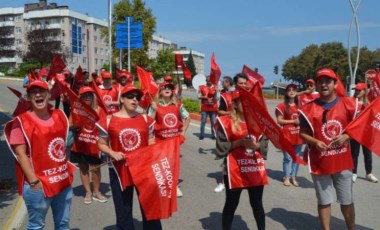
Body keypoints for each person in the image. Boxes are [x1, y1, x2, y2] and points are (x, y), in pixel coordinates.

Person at [5, 80, 74, 229]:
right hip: (38, 185)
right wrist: (34, 182)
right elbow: (20, 154)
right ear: (29, 98)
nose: (38, 95)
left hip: (62, 182)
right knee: (36, 226)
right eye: (33, 92)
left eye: (41, 91)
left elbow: (63, 145)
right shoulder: (21, 122)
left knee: (63, 224)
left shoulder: (59, 115)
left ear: (48, 95)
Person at [299, 68, 357, 230]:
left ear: (335, 83)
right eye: (320, 81)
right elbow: (302, 134)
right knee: (324, 201)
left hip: (343, 161)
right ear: (316, 84)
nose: (323, 84)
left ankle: (351, 228)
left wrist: (347, 136)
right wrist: (315, 141)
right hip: (320, 162)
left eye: (327, 81)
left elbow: (359, 128)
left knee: (346, 201)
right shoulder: (307, 109)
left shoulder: (348, 104)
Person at [98, 85, 162, 230]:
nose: (135, 100)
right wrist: (112, 153)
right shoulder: (108, 120)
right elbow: (101, 144)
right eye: (130, 96)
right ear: (121, 99)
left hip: (144, 171)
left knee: (150, 209)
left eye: (137, 97)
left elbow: (151, 139)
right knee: (123, 210)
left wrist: (153, 151)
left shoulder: (146, 119)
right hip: (120, 171)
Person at [215, 89, 267, 230]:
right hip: (234, 171)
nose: (245, 104)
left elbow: (265, 145)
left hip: (254, 168)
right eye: (241, 101)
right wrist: (238, 143)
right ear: (235, 104)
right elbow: (220, 147)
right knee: (231, 204)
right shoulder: (226, 122)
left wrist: (257, 145)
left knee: (257, 204)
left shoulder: (259, 122)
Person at [148, 82, 191, 197]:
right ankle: (161, 185)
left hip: (173, 140)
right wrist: (154, 109)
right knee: (160, 163)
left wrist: (183, 132)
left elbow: (187, 117)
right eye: (164, 88)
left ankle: (174, 186)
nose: (167, 89)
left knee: (173, 163)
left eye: (170, 88)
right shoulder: (155, 105)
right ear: (160, 91)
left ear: (172, 91)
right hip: (159, 140)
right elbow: (149, 122)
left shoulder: (178, 104)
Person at [70, 86, 108, 204]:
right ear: (80, 98)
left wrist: (104, 145)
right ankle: (88, 192)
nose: (87, 97)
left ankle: (97, 192)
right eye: (84, 96)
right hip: (80, 144)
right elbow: (70, 124)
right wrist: (75, 125)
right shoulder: (76, 110)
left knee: (95, 169)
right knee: (83, 168)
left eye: (89, 95)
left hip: (95, 145)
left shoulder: (99, 110)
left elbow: (105, 128)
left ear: (93, 97)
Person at [275, 83, 303, 187]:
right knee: (288, 158)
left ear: (296, 92)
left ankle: (293, 177)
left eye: (294, 90)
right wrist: (293, 121)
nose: (291, 91)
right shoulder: (281, 106)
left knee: (296, 158)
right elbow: (279, 120)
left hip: (299, 136)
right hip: (287, 135)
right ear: (286, 92)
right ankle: (286, 177)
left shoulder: (301, 106)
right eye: (289, 90)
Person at [350, 82, 378, 183]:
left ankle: (369, 173)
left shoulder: (369, 104)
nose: (357, 92)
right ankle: (354, 173)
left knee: (368, 154)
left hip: (366, 133)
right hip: (354, 133)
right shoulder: (351, 102)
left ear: (364, 91)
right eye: (356, 90)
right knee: (354, 153)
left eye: (359, 90)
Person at [214, 76, 234, 193]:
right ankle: (223, 182)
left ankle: (237, 180)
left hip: (240, 128)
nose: (222, 83)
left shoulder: (242, 95)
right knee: (227, 155)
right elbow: (220, 111)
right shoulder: (224, 96)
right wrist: (228, 113)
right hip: (227, 128)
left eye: (224, 82)